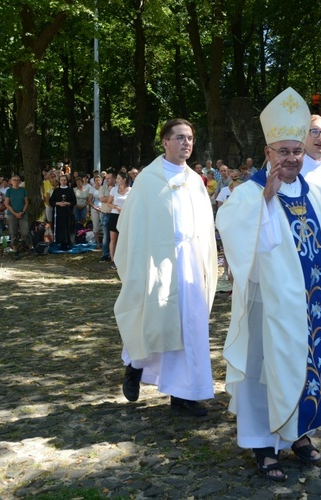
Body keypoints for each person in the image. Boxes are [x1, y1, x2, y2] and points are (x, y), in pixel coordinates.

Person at [216, 88, 321, 481]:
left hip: (314, 306)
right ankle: (263, 444)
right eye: (283, 151)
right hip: (270, 303)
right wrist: (265, 199)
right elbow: (232, 230)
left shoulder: (320, 193)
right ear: (267, 153)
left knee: (310, 365)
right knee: (265, 370)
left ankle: (299, 434)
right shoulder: (248, 193)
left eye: (296, 150)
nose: (291, 158)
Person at [114, 118, 217, 418]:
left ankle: (183, 394)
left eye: (190, 139)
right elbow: (131, 225)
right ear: (165, 142)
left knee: (191, 327)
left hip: (191, 263)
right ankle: (134, 366)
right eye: (180, 138)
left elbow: (205, 226)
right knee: (157, 322)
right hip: (158, 263)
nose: (187, 143)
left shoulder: (196, 181)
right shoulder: (148, 179)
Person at [106, 169, 131, 269]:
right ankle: (113, 260)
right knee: (113, 239)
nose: (117, 180)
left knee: (125, 239)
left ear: (124, 179)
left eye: (119, 178)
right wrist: (116, 207)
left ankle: (125, 260)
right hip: (114, 215)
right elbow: (108, 203)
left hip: (126, 216)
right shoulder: (113, 190)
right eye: (117, 178)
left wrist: (124, 209)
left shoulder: (131, 190)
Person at [4, 175, 30, 257]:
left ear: (20, 182)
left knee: (25, 232)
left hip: (23, 214)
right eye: (14, 180)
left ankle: (31, 247)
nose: (16, 181)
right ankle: (15, 249)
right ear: (11, 182)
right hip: (12, 214)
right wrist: (15, 213)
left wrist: (22, 212)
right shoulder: (9, 191)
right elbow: (6, 204)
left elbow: (26, 202)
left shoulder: (23, 190)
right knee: (13, 232)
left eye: (18, 180)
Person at [49, 174, 76, 251]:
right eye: (62, 180)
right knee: (60, 227)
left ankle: (69, 242)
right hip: (59, 212)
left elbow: (74, 201)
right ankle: (61, 243)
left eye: (65, 180)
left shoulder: (70, 190)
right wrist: (58, 203)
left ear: (67, 181)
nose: (63, 182)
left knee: (68, 227)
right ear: (60, 181)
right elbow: (51, 201)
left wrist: (68, 203)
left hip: (68, 212)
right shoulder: (56, 190)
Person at [98, 171, 114, 262]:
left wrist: (108, 198)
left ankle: (114, 254)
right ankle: (105, 254)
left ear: (114, 179)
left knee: (115, 236)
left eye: (109, 178)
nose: (107, 180)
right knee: (106, 236)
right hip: (105, 214)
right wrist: (112, 198)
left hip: (115, 214)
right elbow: (101, 199)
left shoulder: (117, 188)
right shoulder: (102, 188)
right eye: (106, 178)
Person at [88, 174, 104, 248]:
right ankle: (97, 242)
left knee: (104, 225)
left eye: (99, 180)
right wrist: (95, 207)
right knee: (95, 226)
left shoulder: (104, 188)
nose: (97, 182)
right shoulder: (92, 188)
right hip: (95, 208)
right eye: (96, 180)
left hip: (103, 208)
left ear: (101, 181)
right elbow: (90, 200)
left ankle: (105, 242)